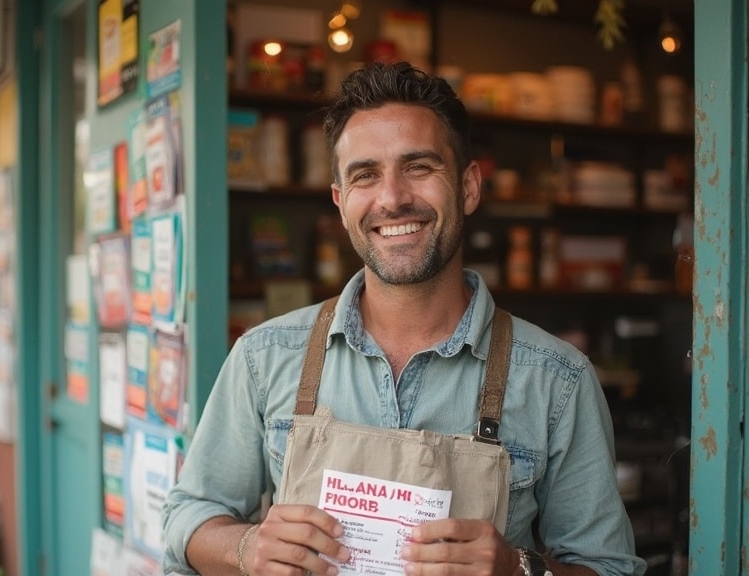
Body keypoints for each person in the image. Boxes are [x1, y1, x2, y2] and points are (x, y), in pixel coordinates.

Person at [163, 61, 644, 576]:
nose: (392, 199)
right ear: (341, 200)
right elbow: (187, 518)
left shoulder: (558, 379)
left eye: (419, 167)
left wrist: (519, 568)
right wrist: (245, 548)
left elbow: (610, 569)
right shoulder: (266, 357)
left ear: (469, 187)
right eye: (365, 175)